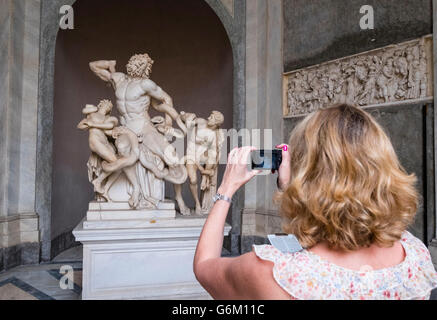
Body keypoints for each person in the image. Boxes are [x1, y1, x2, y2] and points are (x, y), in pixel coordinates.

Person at [193, 104, 437, 300]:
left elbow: (205, 266)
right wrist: (292, 188)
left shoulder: (274, 273)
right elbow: (338, 216)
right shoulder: (414, 256)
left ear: (305, 175)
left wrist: (226, 188)